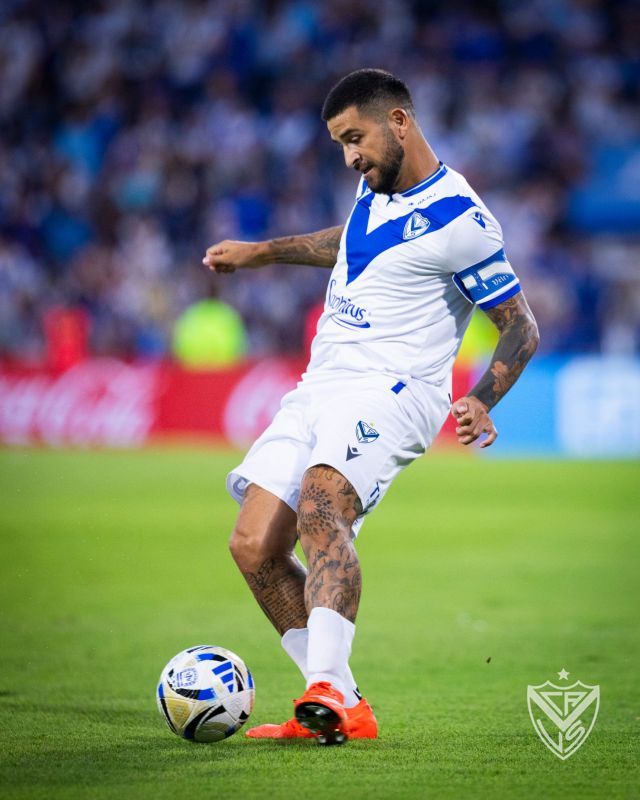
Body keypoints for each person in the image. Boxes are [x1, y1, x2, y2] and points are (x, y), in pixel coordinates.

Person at [203, 69, 539, 745]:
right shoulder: (376, 187)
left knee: (321, 503)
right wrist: (261, 253)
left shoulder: (462, 220)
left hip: (395, 389)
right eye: (340, 144)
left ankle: (327, 688)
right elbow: (351, 241)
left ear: (399, 123)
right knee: (253, 546)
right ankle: (342, 703)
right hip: (322, 383)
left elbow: (521, 326)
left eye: (355, 138)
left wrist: (481, 398)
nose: (349, 156)